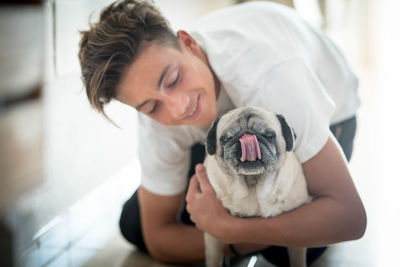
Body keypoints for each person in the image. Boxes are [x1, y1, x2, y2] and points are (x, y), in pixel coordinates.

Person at [78, 0, 366, 265]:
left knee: (293, 245)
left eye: (174, 79)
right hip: (224, 139)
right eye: (152, 106)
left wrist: (229, 229)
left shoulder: (270, 77)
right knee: (133, 222)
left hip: (332, 117)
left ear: (189, 43)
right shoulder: (157, 118)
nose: (178, 108)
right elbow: (157, 235)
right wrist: (235, 240)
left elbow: (349, 218)